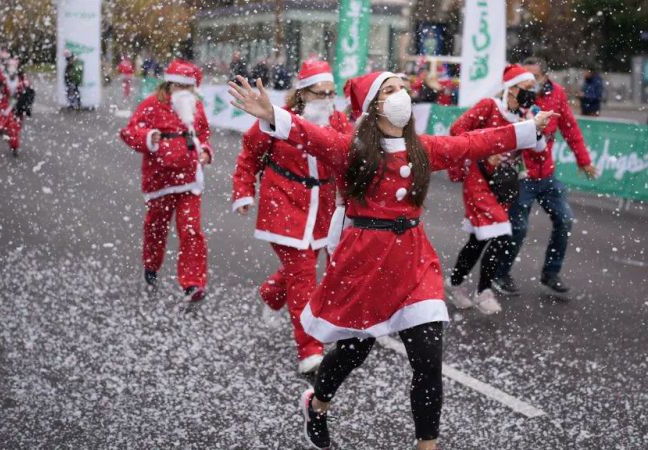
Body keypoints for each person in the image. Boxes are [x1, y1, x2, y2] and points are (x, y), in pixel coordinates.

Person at [228, 72, 556, 450]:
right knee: (353, 351)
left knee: (429, 361)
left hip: (415, 262)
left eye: (402, 87)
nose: (401, 94)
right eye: (389, 90)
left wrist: (525, 129)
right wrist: (272, 114)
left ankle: (426, 445)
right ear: (373, 106)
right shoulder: (350, 149)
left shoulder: (422, 148)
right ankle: (317, 404)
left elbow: (470, 143)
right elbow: (310, 136)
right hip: (365, 262)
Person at [231, 59, 353, 374]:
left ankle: (271, 293)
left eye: (330, 93)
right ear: (302, 93)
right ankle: (310, 351)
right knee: (303, 277)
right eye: (319, 93)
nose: (326, 100)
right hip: (283, 204)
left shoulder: (338, 121)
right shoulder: (276, 119)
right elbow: (249, 155)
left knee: (304, 268)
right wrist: (244, 191)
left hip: (322, 208)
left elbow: (352, 156)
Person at [445, 64, 549, 313]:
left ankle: (455, 282)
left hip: (504, 184)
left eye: (531, 89)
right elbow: (457, 130)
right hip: (479, 179)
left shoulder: (526, 113)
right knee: (501, 234)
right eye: (525, 88)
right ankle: (484, 290)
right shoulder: (489, 107)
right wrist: (482, 153)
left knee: (479, 239)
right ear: (510, 89)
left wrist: (535, 125)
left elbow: (539, 148)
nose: (529, 93)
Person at [492, 57, 598, 296]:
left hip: (547, 175)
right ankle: (501, 273)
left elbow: (569, 128)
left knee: (565, 219)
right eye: (523, 78)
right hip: (522, 175)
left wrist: (584, 161)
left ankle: (551, 272)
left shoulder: (556, 94)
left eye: (533, 78)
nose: (528, 83)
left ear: (545, 77)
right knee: (518, 227)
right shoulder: (513, 97)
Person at [120, 59, 213, 302]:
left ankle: (193, 284)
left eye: (187, 89)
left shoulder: (196, 107)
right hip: (159, 182)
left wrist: (204, 150)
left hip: (190, 181)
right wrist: (149, 137)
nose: (183, 93)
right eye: (178, 87)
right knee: (156, 228)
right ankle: (151, 266)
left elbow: (203, 134)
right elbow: (129, 132)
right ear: (169, 85)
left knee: (191, 230)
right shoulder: (151, 104)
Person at [0, 58, 33, 157]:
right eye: (11, 67)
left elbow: (28, 91)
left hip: (18, 107)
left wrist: (24, 98)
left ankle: (14, 145)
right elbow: (0, 92)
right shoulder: (4, 78)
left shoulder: (22, 79)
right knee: (9, 126)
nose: (12, 69)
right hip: (7, 106)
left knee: (15, 127)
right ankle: (12, 142)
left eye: (14, 67)